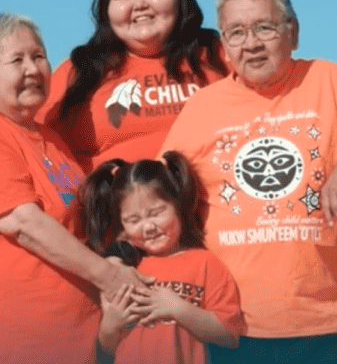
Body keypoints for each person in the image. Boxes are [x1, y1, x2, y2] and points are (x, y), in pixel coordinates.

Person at [160, 0, 337, 363]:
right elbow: (158, 190)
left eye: (264, 27)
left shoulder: (329, 81)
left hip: (326, 323)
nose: (251, 43)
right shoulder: (202, 108)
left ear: (294, 32)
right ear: (223, 46)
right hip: (230, 328)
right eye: (236, 32)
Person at [0, 12, 153, 364]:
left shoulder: (50, 138)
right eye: (17, 60)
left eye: (39, 56)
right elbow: (23, 224)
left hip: (67, 340)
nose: (34, 69)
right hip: (2, 340)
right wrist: (110, 278)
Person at [37, 0, 229, 172]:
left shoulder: (220, 54)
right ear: (106, 9)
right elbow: (33, 138)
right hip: (111, 201)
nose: (139, 4)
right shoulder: (80, 69)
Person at [73, 151, 247, 364]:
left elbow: (229, 336)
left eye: (156, 213)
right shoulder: (121, 270)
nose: (148, 227)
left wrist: (178, 308)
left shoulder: (206, 263)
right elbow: (108, 349)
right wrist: (111, 324)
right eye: (133, 219)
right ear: (122, 224)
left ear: (178, 205)